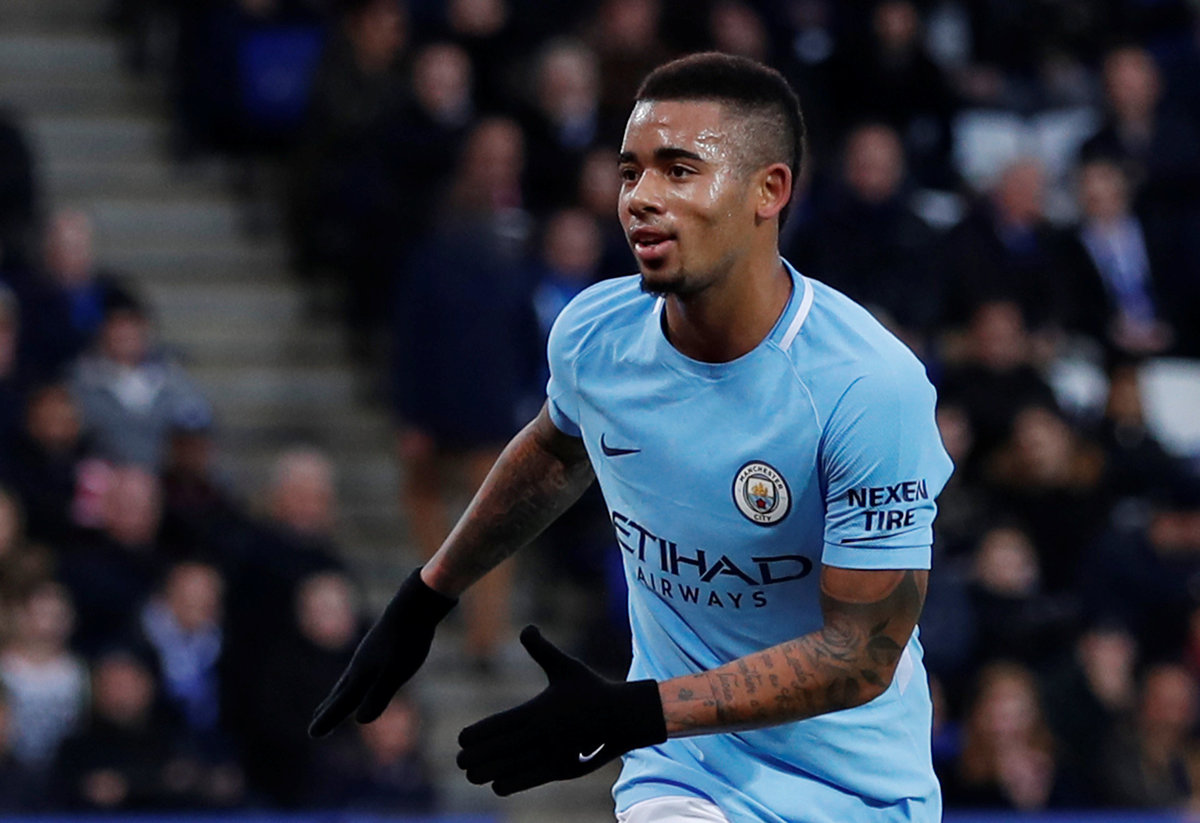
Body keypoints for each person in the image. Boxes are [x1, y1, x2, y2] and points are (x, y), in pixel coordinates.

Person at [311, 53, 953, 822]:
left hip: (858, 791)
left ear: (769, 191)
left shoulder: (867, 386)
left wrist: (632, 711)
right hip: (685, 777)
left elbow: (862, 653)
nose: (641, 198)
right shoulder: (596, 335)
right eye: (630, 172)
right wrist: (428, 593)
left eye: (679, 170)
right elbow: (555, 450)